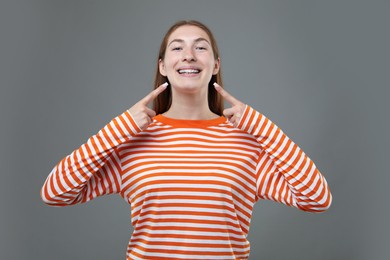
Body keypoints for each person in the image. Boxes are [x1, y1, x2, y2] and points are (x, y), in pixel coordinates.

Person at [41, 20, 332, 260]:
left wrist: (261, 126)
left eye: (200, 47)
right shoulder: (130, 140)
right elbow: (55, 193)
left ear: (215, 65)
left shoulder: (247, 143)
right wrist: (118, 128)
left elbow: (317, 198)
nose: (189, 55)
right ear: (163, 66)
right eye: (177, 47)